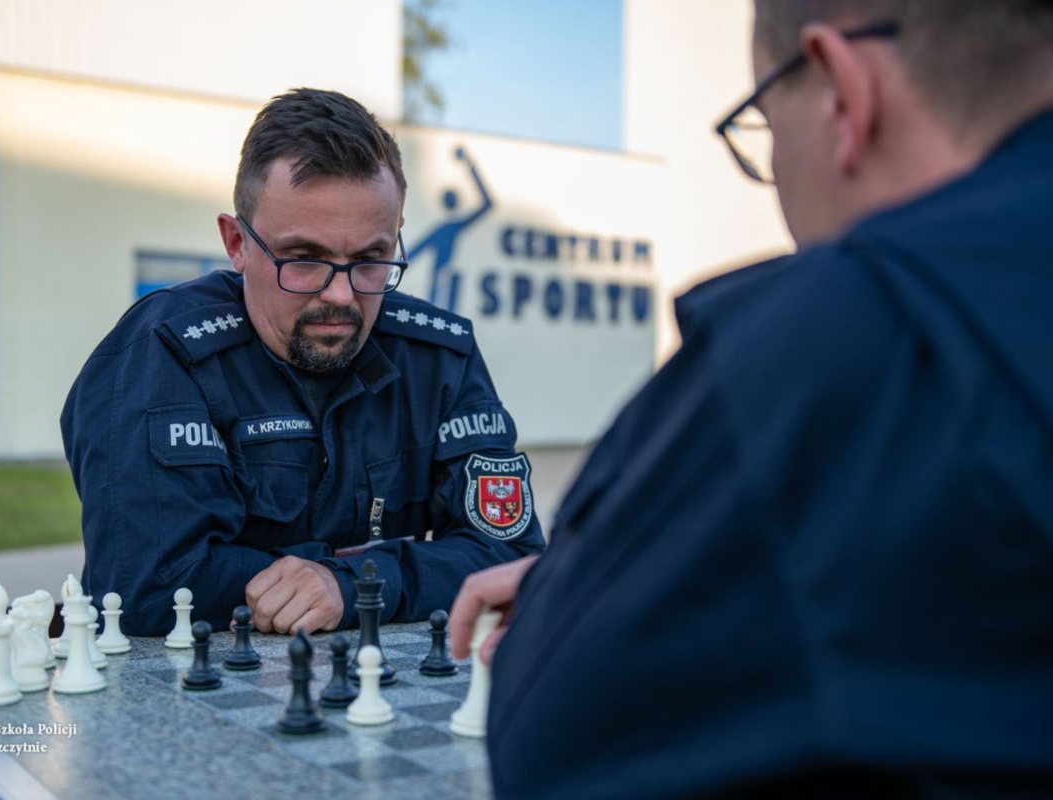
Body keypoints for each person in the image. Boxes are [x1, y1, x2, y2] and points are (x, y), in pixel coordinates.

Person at [450, 1, 1053, 797]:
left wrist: (604, 589)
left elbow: (552, 742)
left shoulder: (834, 336)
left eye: (763, 124)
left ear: (842, 89)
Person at [61, 88, 544, 638]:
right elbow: (145, 589)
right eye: (305, 259)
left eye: (370, 259)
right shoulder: (163, 353)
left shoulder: (439, 356)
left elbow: (512, 558)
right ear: (237, 243)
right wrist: (356, 578)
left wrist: (350, 584)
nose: (340, 295)